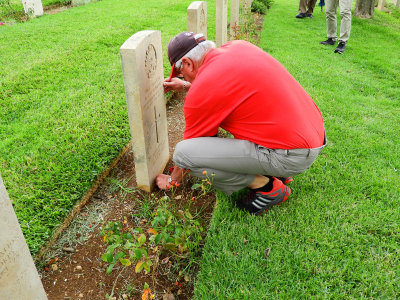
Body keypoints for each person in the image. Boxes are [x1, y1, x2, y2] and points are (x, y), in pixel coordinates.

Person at [156, 32, 326, 215]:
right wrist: (185, 86)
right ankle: (278, 171)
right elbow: (225, 84)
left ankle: (268, 187)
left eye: (181, 73)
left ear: (189, 63)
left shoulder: (201, 93)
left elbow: (188, 157)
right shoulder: (238, 46)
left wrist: (173, 181)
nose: (183, 78)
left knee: (183, 153)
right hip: (312, 135)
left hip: (293, 155)